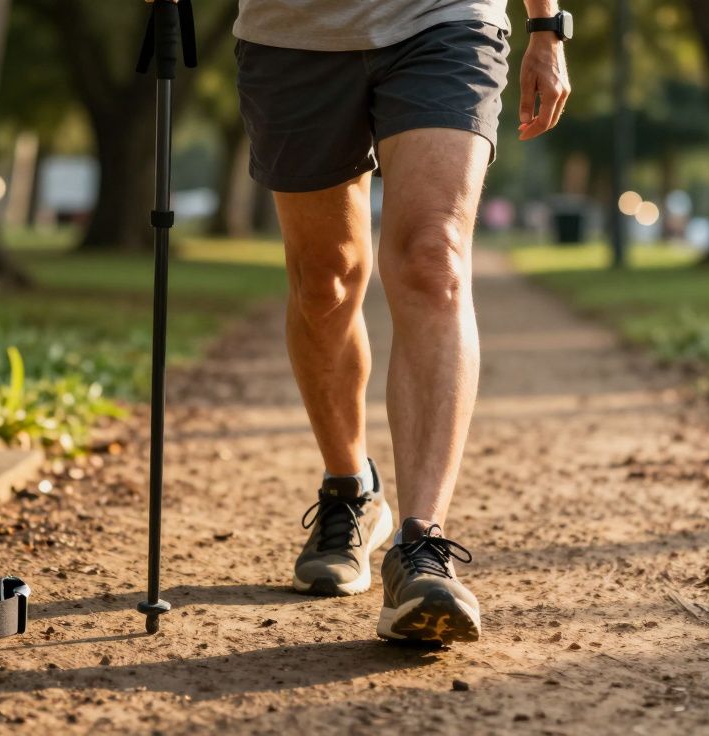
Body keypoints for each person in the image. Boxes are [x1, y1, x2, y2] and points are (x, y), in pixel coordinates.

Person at [229, 0, 571, 645]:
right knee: (323, 281)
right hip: (294, 32)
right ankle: (350, 489)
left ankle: (422, 546)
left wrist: (548, 26)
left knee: (432, 258)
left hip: (445, 20)